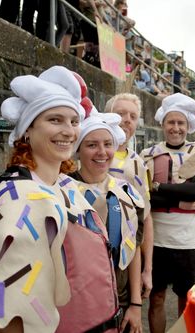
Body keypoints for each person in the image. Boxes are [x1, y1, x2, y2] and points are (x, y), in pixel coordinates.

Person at [0, 66, 120, 332]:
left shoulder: (66, 186)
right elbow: (9, 308)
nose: (68, 131)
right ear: (27, 130)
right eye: (55, 120)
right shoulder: (18, 198)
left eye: (74, 121)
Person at [140, 93, 195, 333]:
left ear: (188, 126)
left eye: (181, 123)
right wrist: (178, 201)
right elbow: (144, 196)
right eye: (171, 122)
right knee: (157, 298)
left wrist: (158, 188)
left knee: (186, 301)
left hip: (188, 242)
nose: (176, 128)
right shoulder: (147, 155)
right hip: (156, 240)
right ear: (162, 124)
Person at [71, 111, 145, 333]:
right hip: (76, 303)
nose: (102, 152)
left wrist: (135, 303)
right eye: (92, 145)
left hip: (119, 300)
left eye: (107, 144)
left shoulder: (126, 192)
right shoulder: (61, 191)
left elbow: (132, 249)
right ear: (78, 150)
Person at [105, 93, 154, 300]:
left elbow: (146, 217)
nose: (127, 120)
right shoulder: (87, 153)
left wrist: (147, 269)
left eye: (133, 116)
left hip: (125, 258)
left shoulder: (139, 165)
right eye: (120, 114)